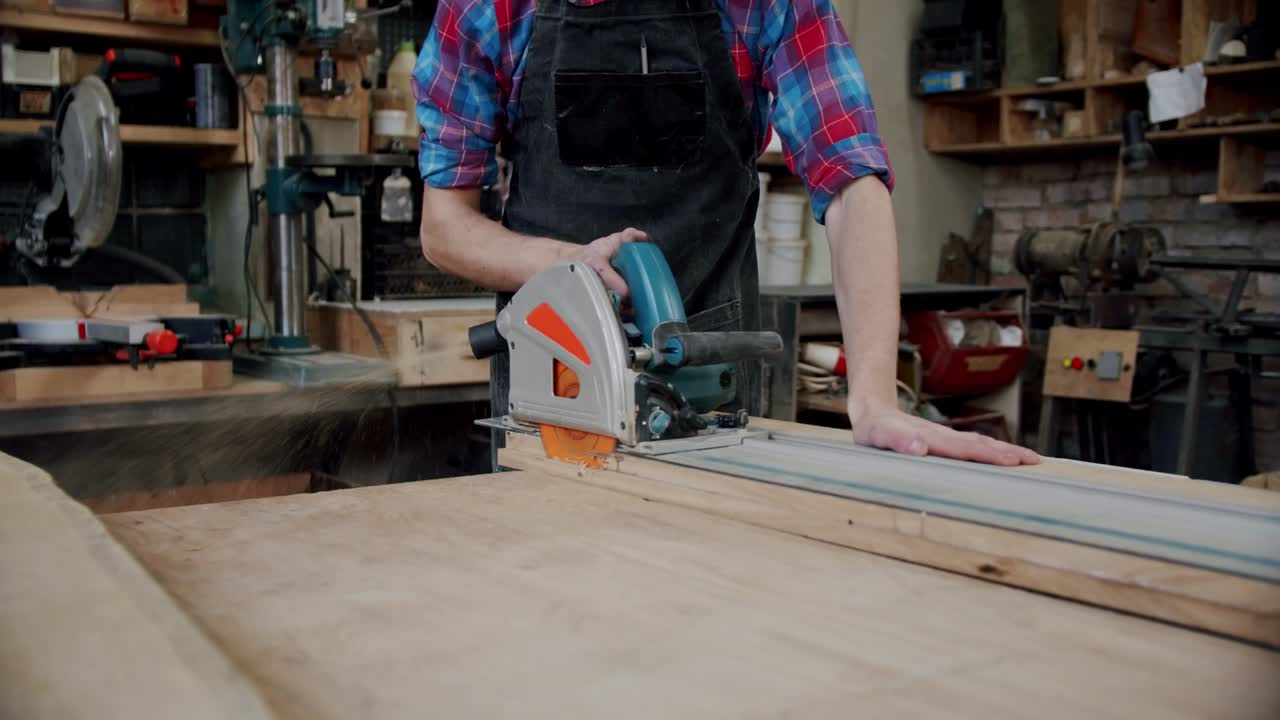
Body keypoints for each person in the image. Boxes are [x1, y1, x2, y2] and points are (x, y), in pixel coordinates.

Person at [414, 0, 1039, 468]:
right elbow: (445, 227)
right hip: (554, 383)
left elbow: (851, 179)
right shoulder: (485, 6)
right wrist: (570, 262)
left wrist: (872, 398)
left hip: (710, 385)